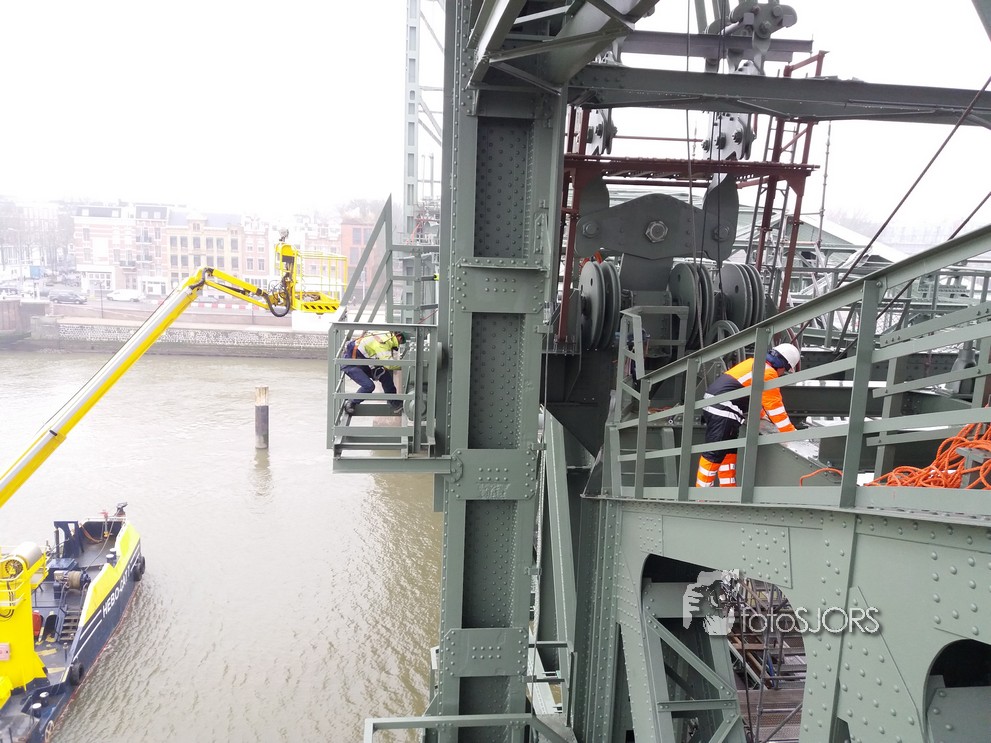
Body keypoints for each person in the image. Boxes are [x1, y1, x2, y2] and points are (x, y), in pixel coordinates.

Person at [695, 343, 800, 487]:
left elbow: (754, 396)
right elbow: (775, 407)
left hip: (717, 406)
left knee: (727, 454)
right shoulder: (768, 373)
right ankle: (702, 495)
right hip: (724, 409)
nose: (783, 374)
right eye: (786, 370)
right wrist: (789, 432)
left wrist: (761, 414)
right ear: (783, 365)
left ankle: (728, 491)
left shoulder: (754, 364)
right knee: (713, 455)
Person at [341, 331, 406, 415]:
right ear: (399, 337)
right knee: (369, 386)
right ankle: (351, 402)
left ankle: (395, 404)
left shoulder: (383, 335)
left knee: (385, 375)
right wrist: (404, 366)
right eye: (401, 343)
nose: (399, 345)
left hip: (363, 361)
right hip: (350, 364)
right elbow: (389, 364)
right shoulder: (383, 342)